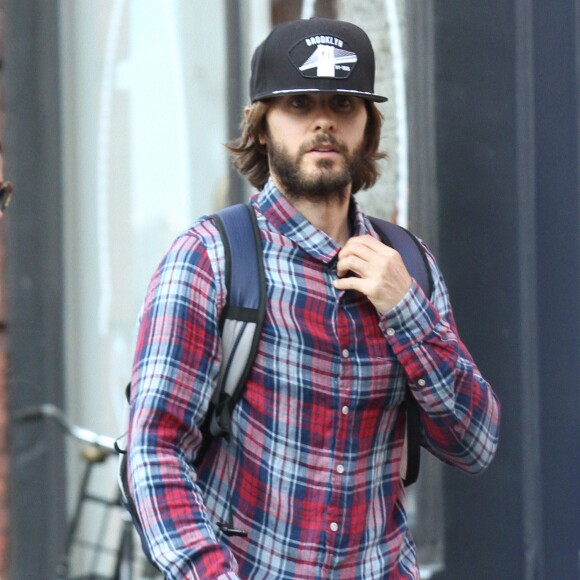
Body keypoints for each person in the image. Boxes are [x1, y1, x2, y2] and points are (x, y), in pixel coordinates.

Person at [126, 17, 500, 579]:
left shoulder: (409, 266)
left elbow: (475, 443)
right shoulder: (210, 259)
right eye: (299, 103)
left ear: (368, 130)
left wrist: (407, 312)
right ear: (260, 127)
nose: (323, 120)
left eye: (343, 104)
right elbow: (154, 450)